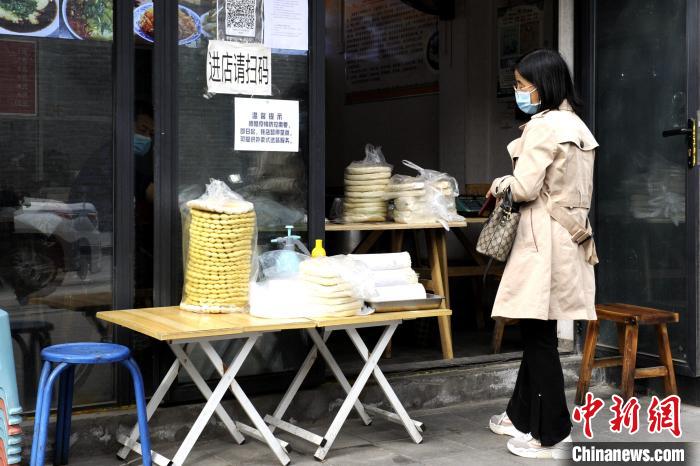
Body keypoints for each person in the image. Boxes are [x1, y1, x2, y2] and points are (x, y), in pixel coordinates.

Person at [485, 49, 599, 459]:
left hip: (541, 242)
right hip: (570, 239)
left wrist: (500, 183)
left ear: (543, 85)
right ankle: (519, 416)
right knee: (540, 332)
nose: (517, 92)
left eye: (522, 85)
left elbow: (525, 187)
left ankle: (551, 432)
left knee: (538, 338)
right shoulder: (577, 126)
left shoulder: (543, 127)